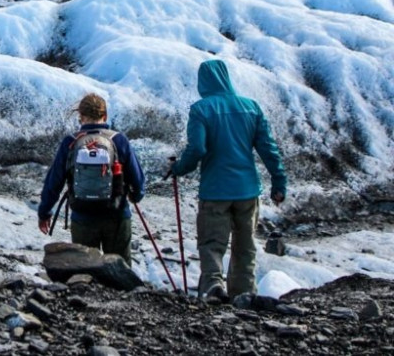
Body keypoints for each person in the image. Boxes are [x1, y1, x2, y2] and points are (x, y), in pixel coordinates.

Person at [168, 58, 286, 300]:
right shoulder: (251, 107)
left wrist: (179, 168)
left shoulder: (201, 109)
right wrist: (278, 181)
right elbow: (268, 149)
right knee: (245, 246)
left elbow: (197, 149)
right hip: (247, 190)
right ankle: (243, 294)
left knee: (212, 243)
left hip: (215, 190)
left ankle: (213, 287)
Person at [38, 93, 145, 264]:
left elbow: (54, 181)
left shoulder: (70, 142)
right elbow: (138, 180)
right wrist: (136, 195)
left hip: (83, 216)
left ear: (80, 117)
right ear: (105, 116)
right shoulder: (119, 140)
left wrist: (44, 212)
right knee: (120, 270)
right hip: (116, 216)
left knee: (85, 271)